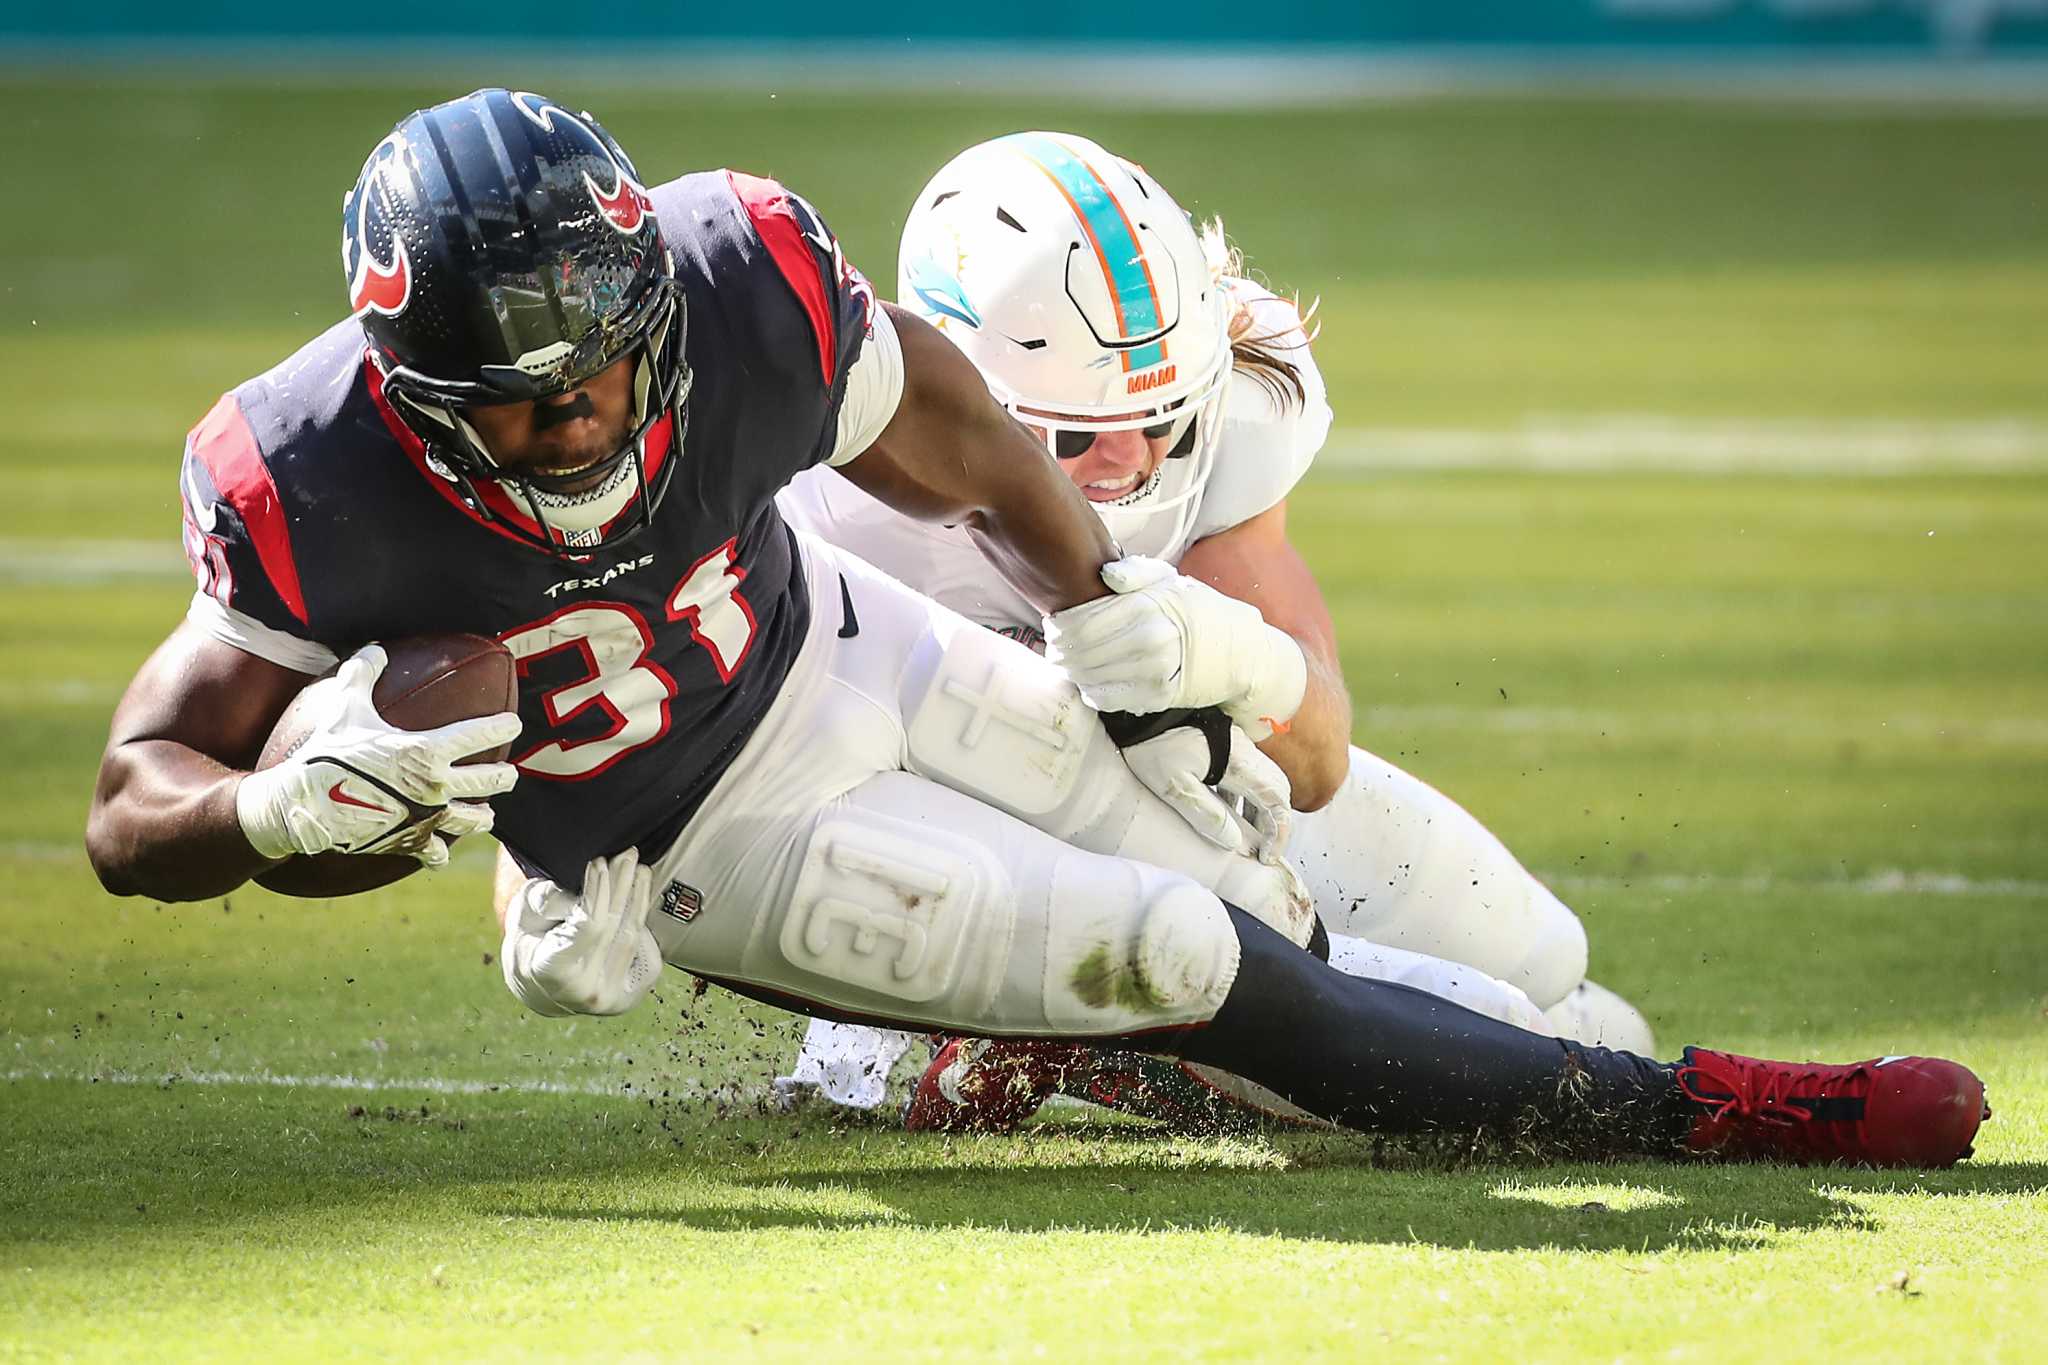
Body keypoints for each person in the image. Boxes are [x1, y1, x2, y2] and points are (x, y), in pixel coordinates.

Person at [85, 90, 1989, 1172]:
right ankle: (1696, 1116)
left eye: (603, 362)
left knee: (1231, 862)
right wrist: (272, 821)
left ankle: (1114, 1052)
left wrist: (1106, 615)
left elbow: (979, 441)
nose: (579, 418)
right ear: (406, 389)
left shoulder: (741, 281)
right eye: (516, 399)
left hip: (843, 647)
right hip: (703, 845)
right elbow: (136, 790)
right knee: (1185, 950)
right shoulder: (304, 472)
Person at [769, 133, 1648, 1129]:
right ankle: (1042, 1041)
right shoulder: (818, 497)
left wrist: (1235, 657)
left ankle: (1109, 1052)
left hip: (1192, 794)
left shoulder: (1239, 409)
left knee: (1545, 969)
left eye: (1166, 419)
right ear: (946, 389)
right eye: (1075, 433)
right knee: (880, 1061)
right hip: (937, 839)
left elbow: (1312, 766)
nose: (1134, 461)